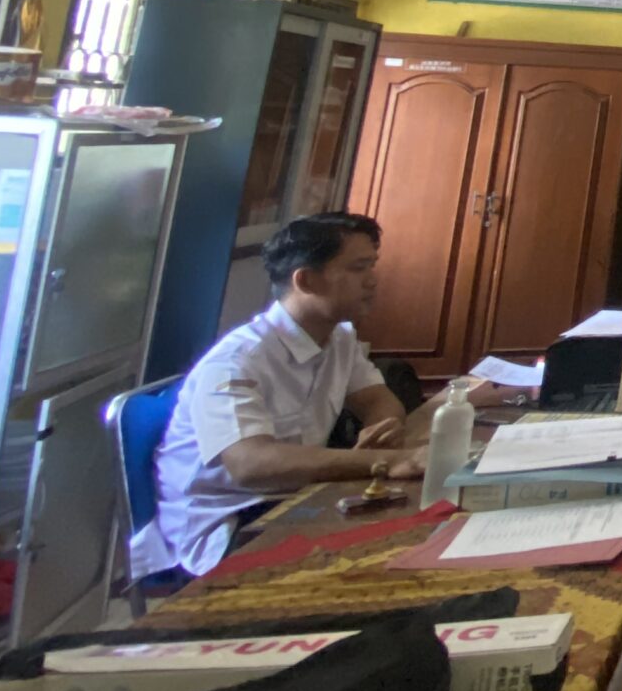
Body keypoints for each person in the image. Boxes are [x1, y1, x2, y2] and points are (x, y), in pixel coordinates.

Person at [131, 212, 419, 580]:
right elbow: (251, 464)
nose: (372, 279)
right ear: (306, 280)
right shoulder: (237, 361)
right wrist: (382, 460)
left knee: (415, 530)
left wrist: (383, 428)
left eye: (372, 266)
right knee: (385, 565)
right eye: (359, 268)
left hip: (298, 499)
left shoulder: (338, 338)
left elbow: (378, 398)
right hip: (229, 523)